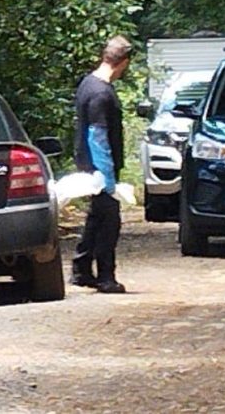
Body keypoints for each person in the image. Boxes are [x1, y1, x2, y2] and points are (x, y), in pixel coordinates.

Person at [70, 36, 133, 294]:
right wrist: (107, 178)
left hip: (89, 165)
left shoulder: (88, 84)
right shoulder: (101, 93)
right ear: (124, 62)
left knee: (96, 218)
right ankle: (106, 277)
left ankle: (81, 269)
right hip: (99, 169)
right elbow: (98, 136)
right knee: (109, 223)